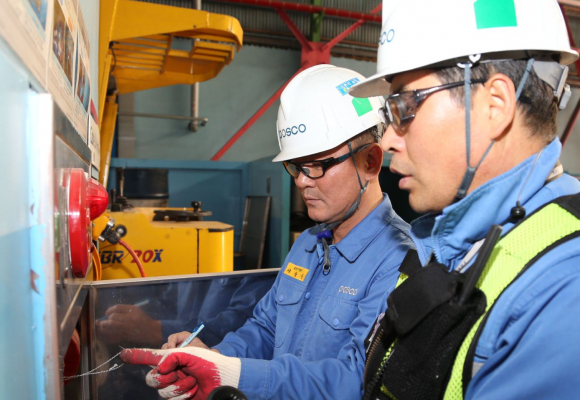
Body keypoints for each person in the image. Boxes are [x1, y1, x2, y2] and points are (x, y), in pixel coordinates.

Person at [120, 64, 414, 399]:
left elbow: (357, 379)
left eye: (317, 165)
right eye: (296, 166)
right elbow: (265, 328)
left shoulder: (400, 261)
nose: (301, 181)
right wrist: (214, 358)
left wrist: (235, 374)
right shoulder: (307, 244)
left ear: (370, 162)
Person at [349, 1, 580, 399]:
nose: (386, 141)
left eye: (405, 106)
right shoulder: (448, 243)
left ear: (496, 105)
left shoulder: (564, 289)